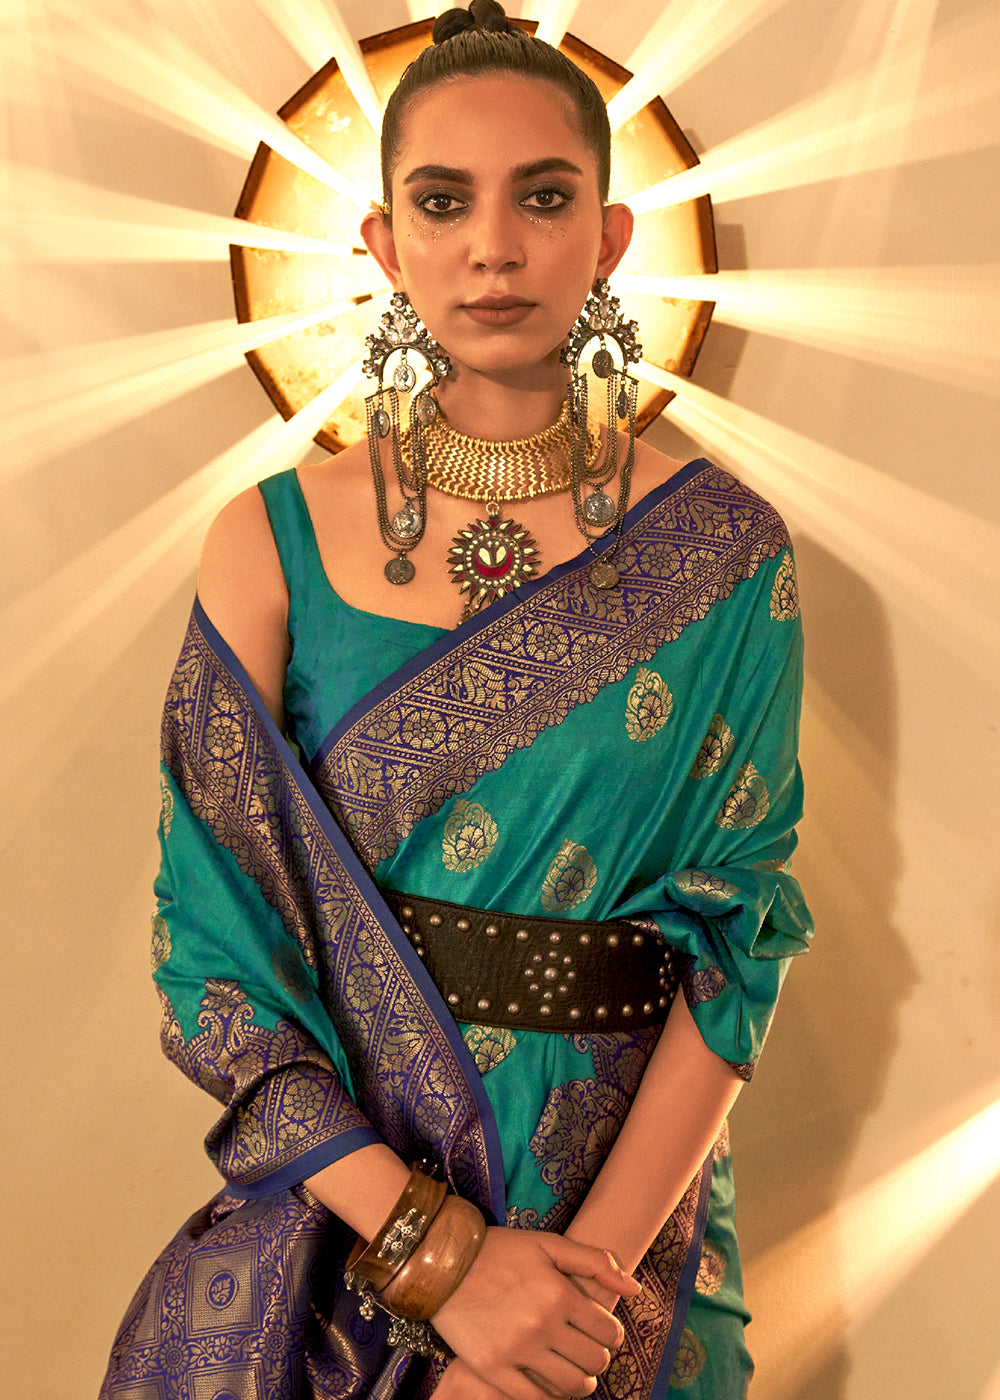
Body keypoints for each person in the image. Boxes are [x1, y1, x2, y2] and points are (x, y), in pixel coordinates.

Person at [101, 4, 812, 1397]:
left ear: (609, 237)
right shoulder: (269, 542)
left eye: (543, 198)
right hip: (342, 1226)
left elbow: (740, 940)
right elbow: (214, 956)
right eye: (443, 202)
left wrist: (567, 1313)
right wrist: (443, 1264)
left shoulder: (726, 554)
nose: (494, 245)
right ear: (384, 243)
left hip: (625, 1243)